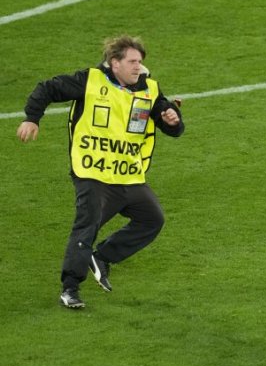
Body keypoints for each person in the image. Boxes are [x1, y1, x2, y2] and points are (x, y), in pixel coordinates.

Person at [16, 35, 184, 309]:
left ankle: (102, 257)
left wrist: (173, 120)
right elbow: (47, 88)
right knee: (87, 225)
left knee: (152, 219)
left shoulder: (150, 89)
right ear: (114, 63)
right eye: (132, 61)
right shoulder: (90, 81)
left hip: (127, 174)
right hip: (92, 172)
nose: (138, 67)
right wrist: (32, 118)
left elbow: (169, 123)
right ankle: (70, 288)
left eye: (140, 61)